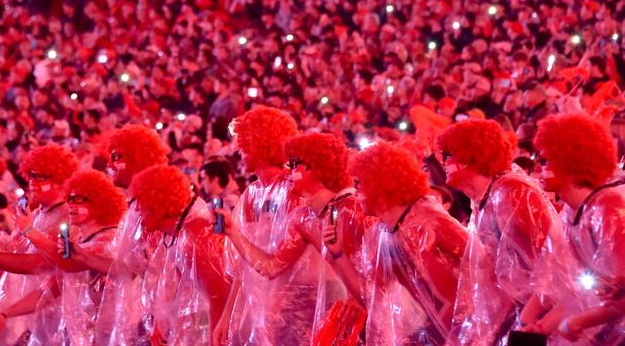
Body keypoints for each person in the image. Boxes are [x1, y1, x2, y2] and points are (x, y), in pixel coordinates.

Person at [216, 132, 370, 345]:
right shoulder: (303, 217)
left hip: (356, 312)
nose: (289, 170)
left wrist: (356, 298)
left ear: (315, 167)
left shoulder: (350, 209)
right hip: (319, 311)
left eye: (295, 163)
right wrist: (233, 232)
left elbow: (375, 273)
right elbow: (271, 267)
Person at [436, 119, 566, 345]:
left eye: (448, 154)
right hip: (513, 320)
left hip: (538, 323)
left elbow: (553, 265)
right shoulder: (482, 200)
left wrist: (526, 322)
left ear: (470, 155)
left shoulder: (510, 193)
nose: (443, 161)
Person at [349, 142, 468, 345]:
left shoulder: (429, 219)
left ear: (381, 183)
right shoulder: (382, 232)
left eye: (359, 183)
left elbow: (480, 264)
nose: (355, 190)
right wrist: (333, 255)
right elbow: (371, 295)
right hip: (429, 334)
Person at [531, 114, 624, 344]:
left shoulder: (607, 208)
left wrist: (577, 322)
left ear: (570, 160)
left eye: (544, 160)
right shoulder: (571, 213)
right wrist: (543, 326)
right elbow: (590, 293)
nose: (537, 167)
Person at [0, 144, 77, 345]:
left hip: (47, 321)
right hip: (16, 316)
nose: (33, 183)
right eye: (31, 176)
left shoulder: (67, 217)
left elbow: (39, 265)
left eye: (41, 177)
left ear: (61, 180)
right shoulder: (35, 215)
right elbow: (10, 254)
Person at [214, 106, 298, 346]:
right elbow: (244, 265)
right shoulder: (252, 193)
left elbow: (286, 261)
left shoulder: (293, 188)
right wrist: (227, 316)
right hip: (259, 308)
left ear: (259, 143)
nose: (238, 150)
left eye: (244, 142)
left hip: (293, 309)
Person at [23, 169, 127, 345]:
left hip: (104, 337)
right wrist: (4, 313)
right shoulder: (76, 240)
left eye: (78, 199)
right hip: (77, 334)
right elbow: (50, 290)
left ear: (99, 203)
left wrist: (29, 230)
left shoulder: (109, 238)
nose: (70, 204)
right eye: (69, 199)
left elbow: (68, 264)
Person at [130, 164, 230, 344]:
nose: (136, 209)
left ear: (158, 203)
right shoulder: (176, 234)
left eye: (140, 201)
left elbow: (219, 298)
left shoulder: (196, 235)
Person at [96, 124, 169, 344]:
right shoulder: (135, 204)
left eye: (117, 157)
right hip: (134, 317)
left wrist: (160, 322)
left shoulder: (155, 202)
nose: (109, 164)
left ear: (138, 158)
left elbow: (165, 268)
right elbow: (125, 266)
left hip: (152, 321)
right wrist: (80, 255)